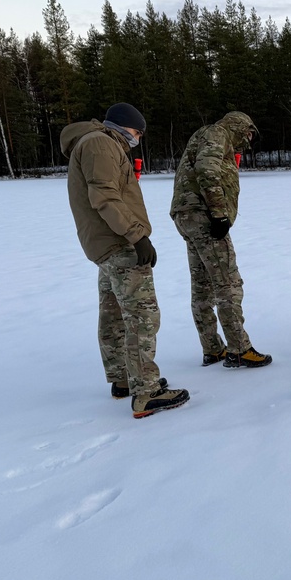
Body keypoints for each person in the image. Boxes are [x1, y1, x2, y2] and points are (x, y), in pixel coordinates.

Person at [62, 102, 191, 419]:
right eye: (137, 133)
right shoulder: (101, 143)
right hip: (119, 243)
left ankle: (124, 379)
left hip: (105, 245)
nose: (137, 140)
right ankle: (146, 392)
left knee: (114, 314)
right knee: (142, 316)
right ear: (123, 126)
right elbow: (104, 196)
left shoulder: (94, 142)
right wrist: (137, 236)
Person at [170, 111, 272, 368]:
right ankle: (239, 349)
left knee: (203, 285)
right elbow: (207, 169)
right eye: (248, 134)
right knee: (228, 283)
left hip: (187, 215)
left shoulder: (204, 135)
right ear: (239, 126)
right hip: (203, 216)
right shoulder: (218, 134)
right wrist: (218, 214)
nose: (248, 141)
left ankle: (213, 348)